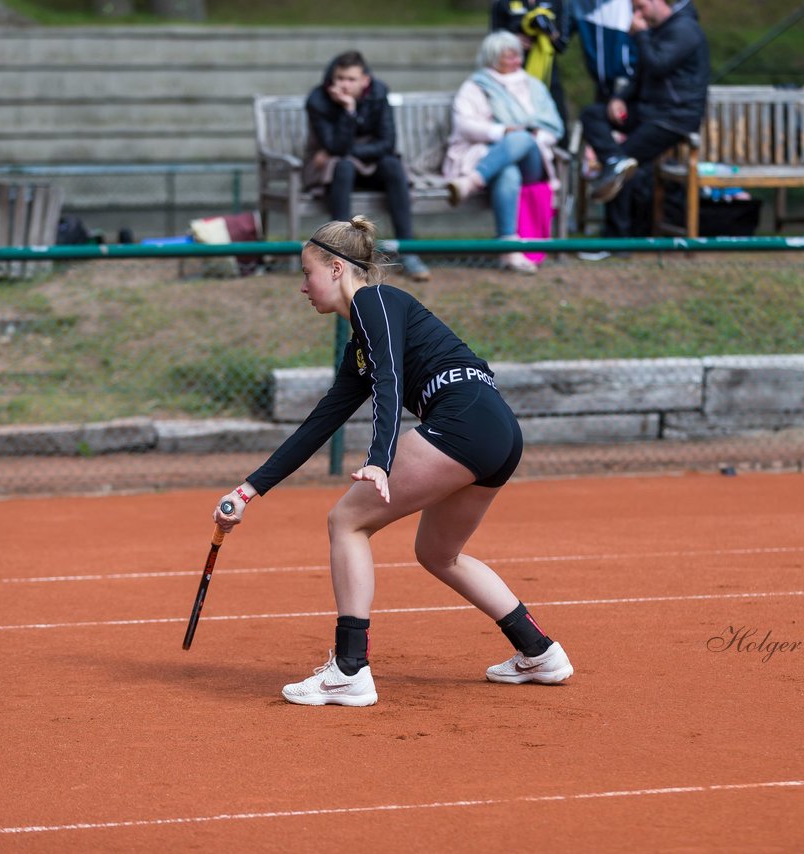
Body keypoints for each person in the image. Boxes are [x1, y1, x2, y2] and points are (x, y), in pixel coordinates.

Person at [213, 216, 574, 707]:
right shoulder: (365, 335)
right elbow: (320, 423)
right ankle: (540, 651)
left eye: (307, 273)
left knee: (346, 522)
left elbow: (389, 382)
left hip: (463, 423)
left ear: (337, 268)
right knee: (439, 554)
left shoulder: (373, 301)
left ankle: (349, 668)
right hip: (497, 430)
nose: (302, 287)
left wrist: (379, 460)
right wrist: (247, 490)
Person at [578, 0, 708, 238]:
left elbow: (658, 65)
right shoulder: (660, 29)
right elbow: (641, 74)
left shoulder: (684, 29)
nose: (637, 15)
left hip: (674, 118)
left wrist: (642, 35)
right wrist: (619, 98)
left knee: (625, 164)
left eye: (641, 8)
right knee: (593, 114)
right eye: (634, 10)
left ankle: (617, 239)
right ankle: (613, 159)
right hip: (649, 111)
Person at [443, 31, 566, 274]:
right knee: (508, 171)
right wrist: (502, 131)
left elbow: (554, 127)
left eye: (517, 55)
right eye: (507, 57)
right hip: (492, 159)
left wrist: (523, 135)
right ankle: (509, 248)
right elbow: (464, 125)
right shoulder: (476, 86)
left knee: (521, 137)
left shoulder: (534, 86)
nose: (515, 61)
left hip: (532, 161)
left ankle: (471, 181)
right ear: (491, 58)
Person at [304, 51, 431, 282]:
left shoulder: (379, 93)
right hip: (335, 170)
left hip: (370, 162)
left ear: (365, 81)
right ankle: (340, 253)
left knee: (392, 164)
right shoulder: (318, 100)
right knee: (343, 166)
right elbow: (333, 145)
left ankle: (410, 251)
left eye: (351, 79)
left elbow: (387, 143)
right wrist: (348, 110)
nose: (344, 84)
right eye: (340, 78)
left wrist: (350, 150)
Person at [490, 0, 573, 141]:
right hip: (511, 76)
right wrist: (513, 40)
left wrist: (548, 31)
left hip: (547, 74)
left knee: (559, 120)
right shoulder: (502, 3)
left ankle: (559, 158)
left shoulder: (556, 3)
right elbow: (493, 39)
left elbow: (562, 44)